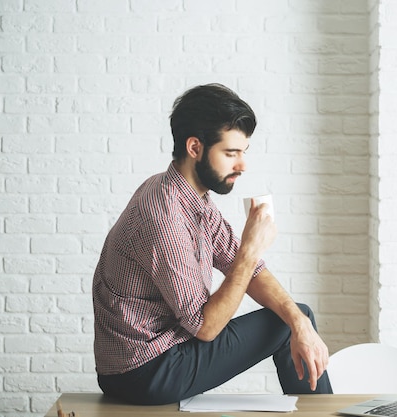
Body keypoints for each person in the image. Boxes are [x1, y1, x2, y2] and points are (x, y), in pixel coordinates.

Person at [91, 83, 333, 405]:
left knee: (295, 318)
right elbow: (205, 327)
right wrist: (251, 249)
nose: (242, 165)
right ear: (195, 148)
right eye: (231, 153)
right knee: (288, 324)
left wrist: (300, 321)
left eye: (243, 152)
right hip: (143, 371)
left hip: (160, 356)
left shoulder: (194, 199)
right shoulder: (163, 216)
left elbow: (245, 266)